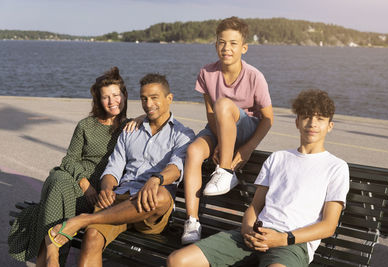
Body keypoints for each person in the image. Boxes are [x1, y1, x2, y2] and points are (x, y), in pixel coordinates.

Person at [168, 89, 350, 267]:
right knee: (178, 261)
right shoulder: (278, 158)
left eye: (320, 119)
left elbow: (329, 225)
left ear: (330, 126)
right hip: (255, 234)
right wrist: (247, 230)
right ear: (297, 122)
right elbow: (255, 206)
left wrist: (284, 238)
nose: (312, 124)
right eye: (307, 117)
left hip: (291, 244)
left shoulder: (336, 167)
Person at [46, 73, 195, 267]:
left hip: (150, 207)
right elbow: (113, 169)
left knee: (161, 197)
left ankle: (83, 220)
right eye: (144, 98)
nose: (148, 104)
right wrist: (107, 188)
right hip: (120, 197)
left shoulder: (183, 134)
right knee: (91, 238)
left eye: (154, 98)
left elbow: (176, 168)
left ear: (169, 98)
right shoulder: (130, 131)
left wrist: (156, 179)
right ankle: (89, 222)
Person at [8, 67, 128, 267]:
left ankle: (50, 254)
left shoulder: (130, 127)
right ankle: (53, 256)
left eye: (116, 95)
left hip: (101, 192)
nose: (111, 101)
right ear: (98, 100)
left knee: (51, 205)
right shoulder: (86, 125)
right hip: (76, 182)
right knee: (59, 181)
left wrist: (140, 120)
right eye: (105, 97)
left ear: (124, 95)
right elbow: (70, 159)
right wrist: (84, 184)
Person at [181, 16, 274, 244]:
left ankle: (225, 171)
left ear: (244, 48)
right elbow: (210, 116)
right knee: (193, 151)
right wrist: (222, 142)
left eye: (233, 43)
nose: (226, 48)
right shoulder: (206, 73)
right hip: (218, 128)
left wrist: (248, 148)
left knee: (223, 104)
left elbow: (268, 119)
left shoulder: (255, 76)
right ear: (215, 45)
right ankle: (192, 221)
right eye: (222, 42)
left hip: (245, 127)